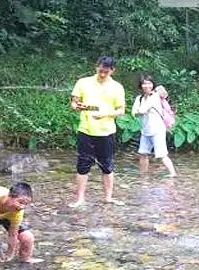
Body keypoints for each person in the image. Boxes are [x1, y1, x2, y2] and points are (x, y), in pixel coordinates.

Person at [69, 56, 126, 207]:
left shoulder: (117, 87)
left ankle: (108, 197)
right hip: (85, 130)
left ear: (112, 71)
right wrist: (77, 106)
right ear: (96, 67)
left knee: (107, 165)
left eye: (106, 72)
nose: (102, 74)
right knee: (82, 165)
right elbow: (74, 102)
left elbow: (121, 110)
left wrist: (106, 114)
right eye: (100, 70)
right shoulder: (83, 82)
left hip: (106, 132)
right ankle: (80, 199)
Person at [131, 75, 177, 177]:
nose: (147, 86)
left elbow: (141, 111)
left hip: (157, 130)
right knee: (143, 153)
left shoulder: (155, 96)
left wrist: (139, 111)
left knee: (161, 154)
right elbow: (134, 113)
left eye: (149, 83)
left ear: (153, 85)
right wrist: (139, 111)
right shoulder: (139, 98)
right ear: (141, 85)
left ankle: (172, 173)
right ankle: (143, 175)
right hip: (145, 130)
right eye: (144, 83)